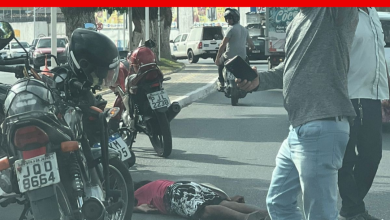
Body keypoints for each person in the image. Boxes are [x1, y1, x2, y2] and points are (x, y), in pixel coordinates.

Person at [237, 8, 358, 220]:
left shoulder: (333, 13)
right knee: (278, 203)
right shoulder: (296, 21)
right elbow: (289, 68)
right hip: (297, 130)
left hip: (322, 125)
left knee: (321, 215)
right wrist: (258, 81)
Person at [337, 7, 388, 220]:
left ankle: (351, 208)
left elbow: (378, 57)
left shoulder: (373, 13)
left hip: (372, 97)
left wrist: (385, 92)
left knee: (372, 155)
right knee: (346, 159)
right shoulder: (343, 12)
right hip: (349, 94)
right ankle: (353, 210)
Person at [133, 179, 270, 220]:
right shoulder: (154, 183)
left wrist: (136, 207)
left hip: (171, 194)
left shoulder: (136, 194)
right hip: (185, 184)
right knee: (222, 203)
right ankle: (266, 213)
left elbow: (124, 205)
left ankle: (246, 218)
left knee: (203, 211)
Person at [215, 8, 254, 91]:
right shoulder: (244, 30)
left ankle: (221, 82)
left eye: (230, 18)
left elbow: (223, 44)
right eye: (227, 19)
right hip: (242, 57)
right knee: (247, 68)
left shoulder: (230, 29)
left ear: (235, 18)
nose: (228, 20)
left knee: (219, 65)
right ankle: (249, 82)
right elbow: (251, 44)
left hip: (229, 56)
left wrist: (217, 58)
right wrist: (251, 48)